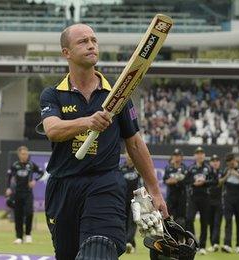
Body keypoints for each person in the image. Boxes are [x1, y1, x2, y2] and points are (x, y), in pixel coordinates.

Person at [39, 23, 168, 260]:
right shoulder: (53, 94)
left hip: (105, 182)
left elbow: (135, 144)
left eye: (93, 40)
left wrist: (155, 191)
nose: (91, 45)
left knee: (99, 249)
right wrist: (87, 122)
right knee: (68, 254)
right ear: (66, 52)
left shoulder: (117, 94)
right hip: (63, 186)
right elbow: (53, 130)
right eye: (83, 41)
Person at [6, 146, 44, 244]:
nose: (25, 156)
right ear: (19, 155)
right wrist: (9, 188)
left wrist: (35, 181)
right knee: (18, 215)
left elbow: (41, 172)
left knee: (29, 213)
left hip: (28, 193)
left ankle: (28, 235)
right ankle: (19, 237)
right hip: (17, 193)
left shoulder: (31, 165)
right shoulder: (15, 165)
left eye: (26, 154)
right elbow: (8, 177)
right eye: (23, 154)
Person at [218, 153, 239, 254]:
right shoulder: (225, 170)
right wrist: (227, 175)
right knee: (228, 221)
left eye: (231, 163)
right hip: (228, 197)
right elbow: (219, 182)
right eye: (228, 163)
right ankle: (227, 244)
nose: (230, 165)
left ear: (234, 160)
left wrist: (238, 175)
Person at [185, 147, 215, 255]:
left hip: (205, 197)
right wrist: (194, 182)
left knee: (204, 222)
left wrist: (204, 182)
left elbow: (214, 181)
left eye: (201, 153)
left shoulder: (208, 168)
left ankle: (202, 246)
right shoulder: (191, 168)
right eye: (197, 153)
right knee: (189, 219)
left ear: (204, 155)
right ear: (195, 156)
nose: (199, 155)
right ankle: (193, 243)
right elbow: (186, 180)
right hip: (193, 197)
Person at [120, 152, 140, 254]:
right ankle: (131, 244)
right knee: (124, 222)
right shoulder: (121, 168)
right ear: (125, 155)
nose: (129, 156)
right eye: (127, 154)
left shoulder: (138, 168)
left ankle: (127, 242)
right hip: (123, 199)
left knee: (132, 221)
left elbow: (143, 183)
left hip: (135, 200)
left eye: (130, 154)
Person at [163, 149, 187, 226]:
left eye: (178, 156)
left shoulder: (185, 169)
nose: (176, 157)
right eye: (175, 156)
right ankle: (168, 236)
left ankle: (179, 237)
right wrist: (168, 181)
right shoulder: (168, 168)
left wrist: (176, 181)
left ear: (181, 157)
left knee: (180, 219)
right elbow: (165, 180)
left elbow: (186, 181)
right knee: (167, 217)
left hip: (181, 196)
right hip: (171, 196)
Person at [207, 154, 223, 253]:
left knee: (217, 223)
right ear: (210, 162)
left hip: (219, 201)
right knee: (211, 224)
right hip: (208, 201)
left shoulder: (222, 172)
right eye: (213, 160)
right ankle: (213, 244)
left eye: (217, 160)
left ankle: (215, 243)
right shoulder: (207, 172)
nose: (215, 162)